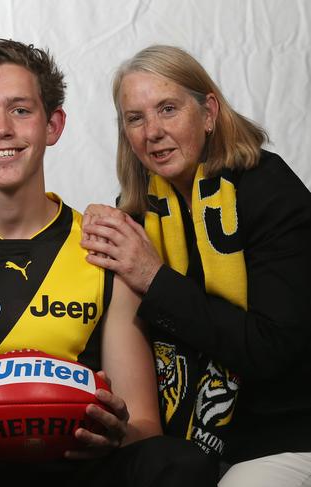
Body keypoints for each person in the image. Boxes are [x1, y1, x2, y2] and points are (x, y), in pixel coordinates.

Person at [0, 39, 217, 487]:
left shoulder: (105, 246)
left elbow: (145, 427)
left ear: (53, 124)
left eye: (21, 110)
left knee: (177, 463)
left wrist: (114, 433)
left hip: (80, 472)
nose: (1, 129)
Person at [81, 45, 311, 486]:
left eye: (168, 109)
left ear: (208, 113)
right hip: (182, 442)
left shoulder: (269, 190)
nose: (153, 132)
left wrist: (153, 277)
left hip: (283, 434)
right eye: (135, 118)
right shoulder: (138, 211)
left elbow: (273, 349)